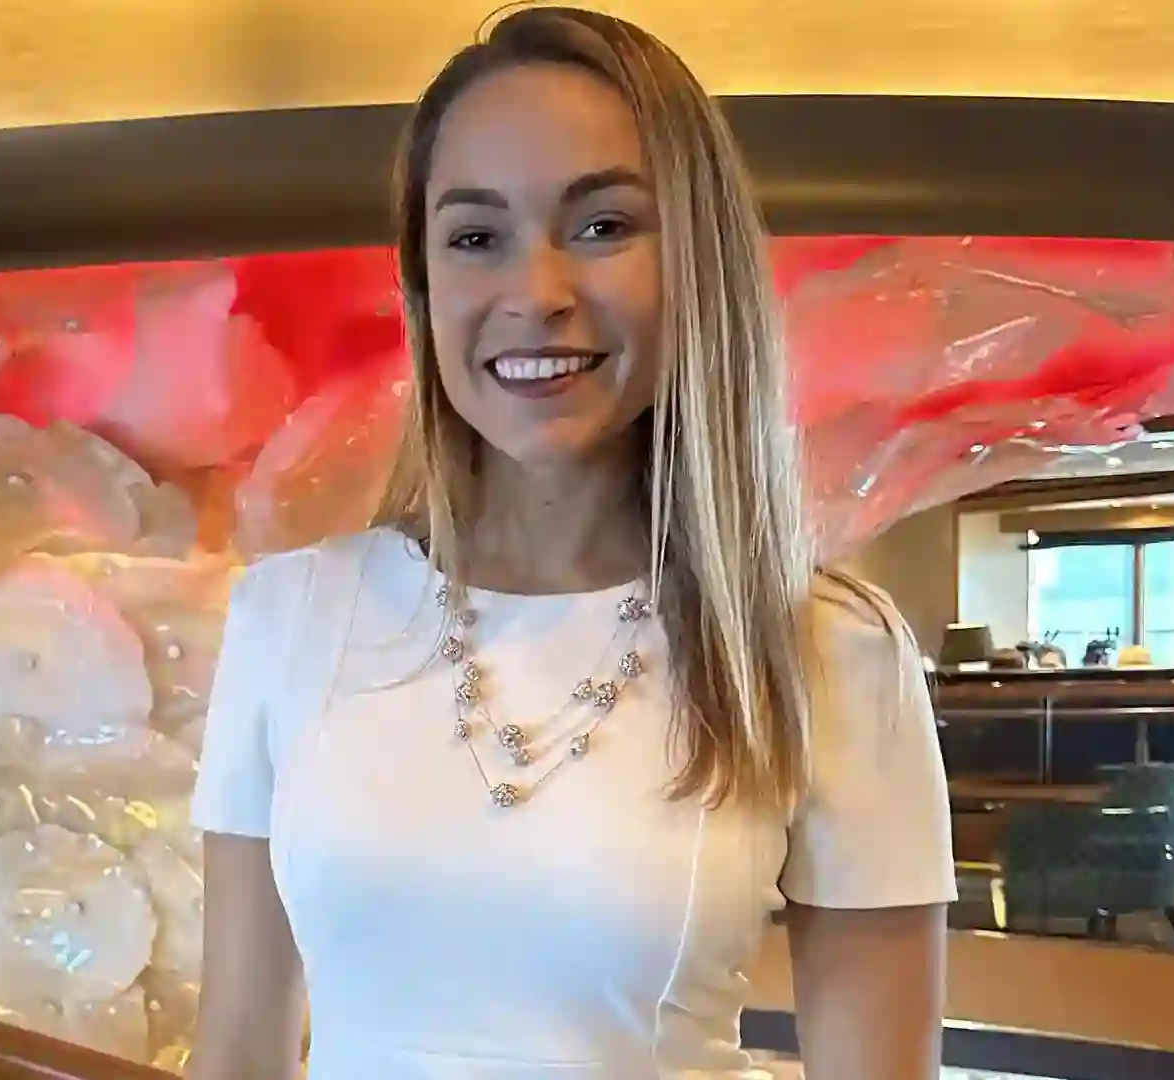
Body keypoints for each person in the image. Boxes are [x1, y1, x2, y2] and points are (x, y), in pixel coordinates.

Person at [187, 9, 954, 1080]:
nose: (536, 294)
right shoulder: (288, 618)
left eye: (602, 227)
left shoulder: (831, 653)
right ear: (422, 286)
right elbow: (234, 1052)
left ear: (698, 261)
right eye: (474, 237)